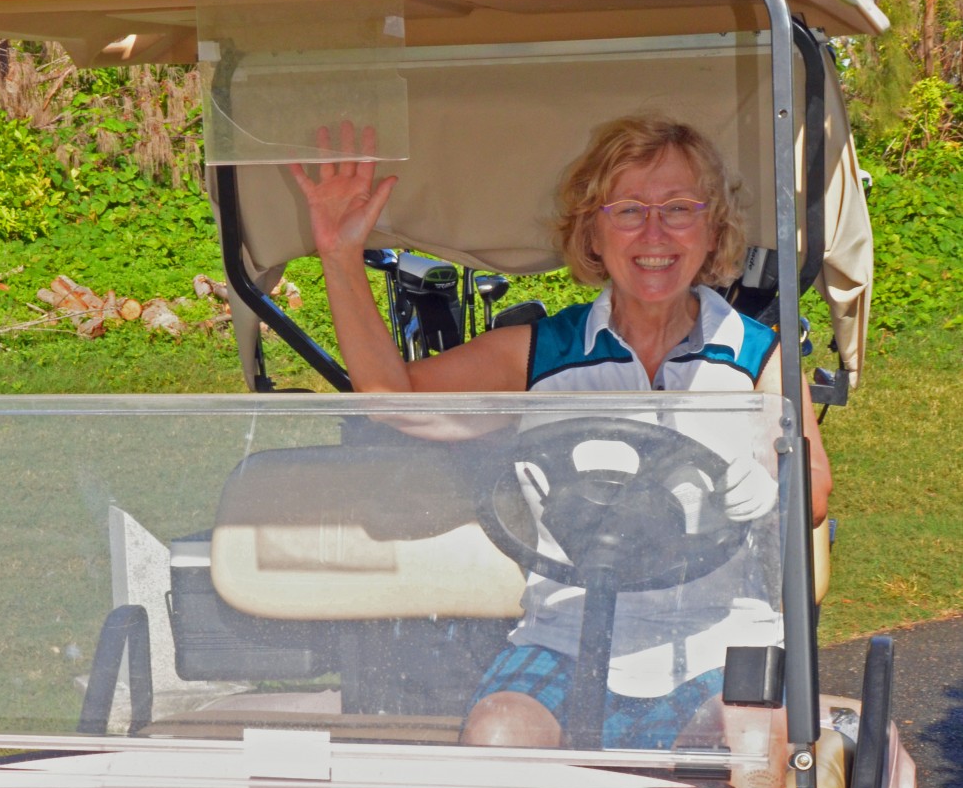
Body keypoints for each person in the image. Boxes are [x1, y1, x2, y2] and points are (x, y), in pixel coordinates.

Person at [291, 114, 831, 751]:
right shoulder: (540, 353)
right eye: (628, 209)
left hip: (718, 641)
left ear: (712, 229)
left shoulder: (757, 357)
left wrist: (773, 482)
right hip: (564, 639)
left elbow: (814, 487)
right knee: (498, 736)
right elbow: (391, 403)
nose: (654, 232)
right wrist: (340, 255)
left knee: (748, 742)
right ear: (593, 232)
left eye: (679, 208)